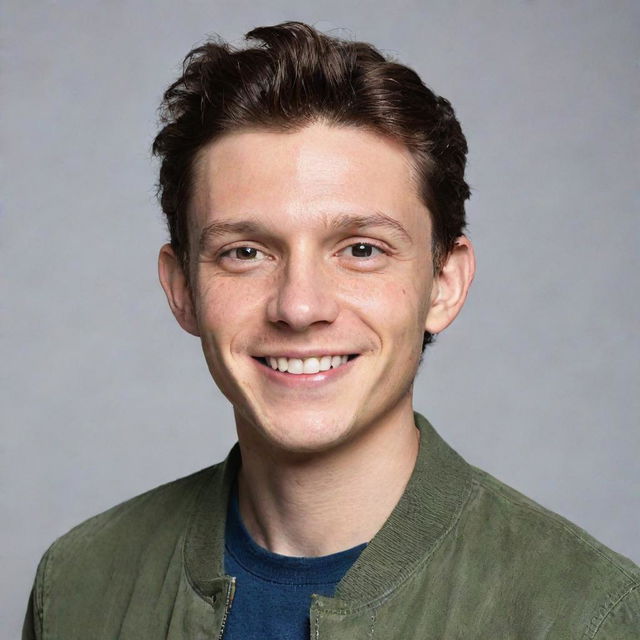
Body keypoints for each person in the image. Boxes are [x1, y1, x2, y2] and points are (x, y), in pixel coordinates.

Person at [23, 21, 639, 639]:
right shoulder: (78, 586)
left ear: (443, 284)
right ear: (182, 288)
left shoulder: (584, 614)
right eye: (245, 252)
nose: (299, 306)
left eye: (362, 249)